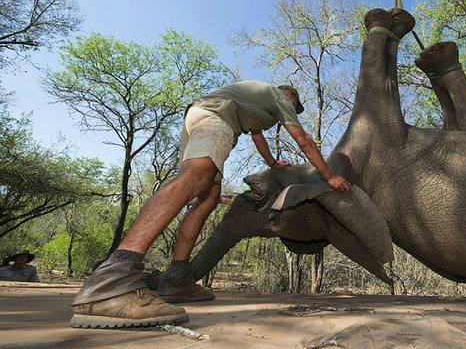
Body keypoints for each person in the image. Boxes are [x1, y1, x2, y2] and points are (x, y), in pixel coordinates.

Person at [70, 80, 351, 329]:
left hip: (200, 117)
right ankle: (114, 279)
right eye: (295, 104)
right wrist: (330, 177)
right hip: (214, 120)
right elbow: (302, 140)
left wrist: (271, 163)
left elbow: (256, 135)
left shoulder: (256, 104)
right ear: (288, 93)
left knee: (208, 197)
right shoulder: (278, 97)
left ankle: (177, 277)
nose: (293, 107)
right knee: (196, 178)